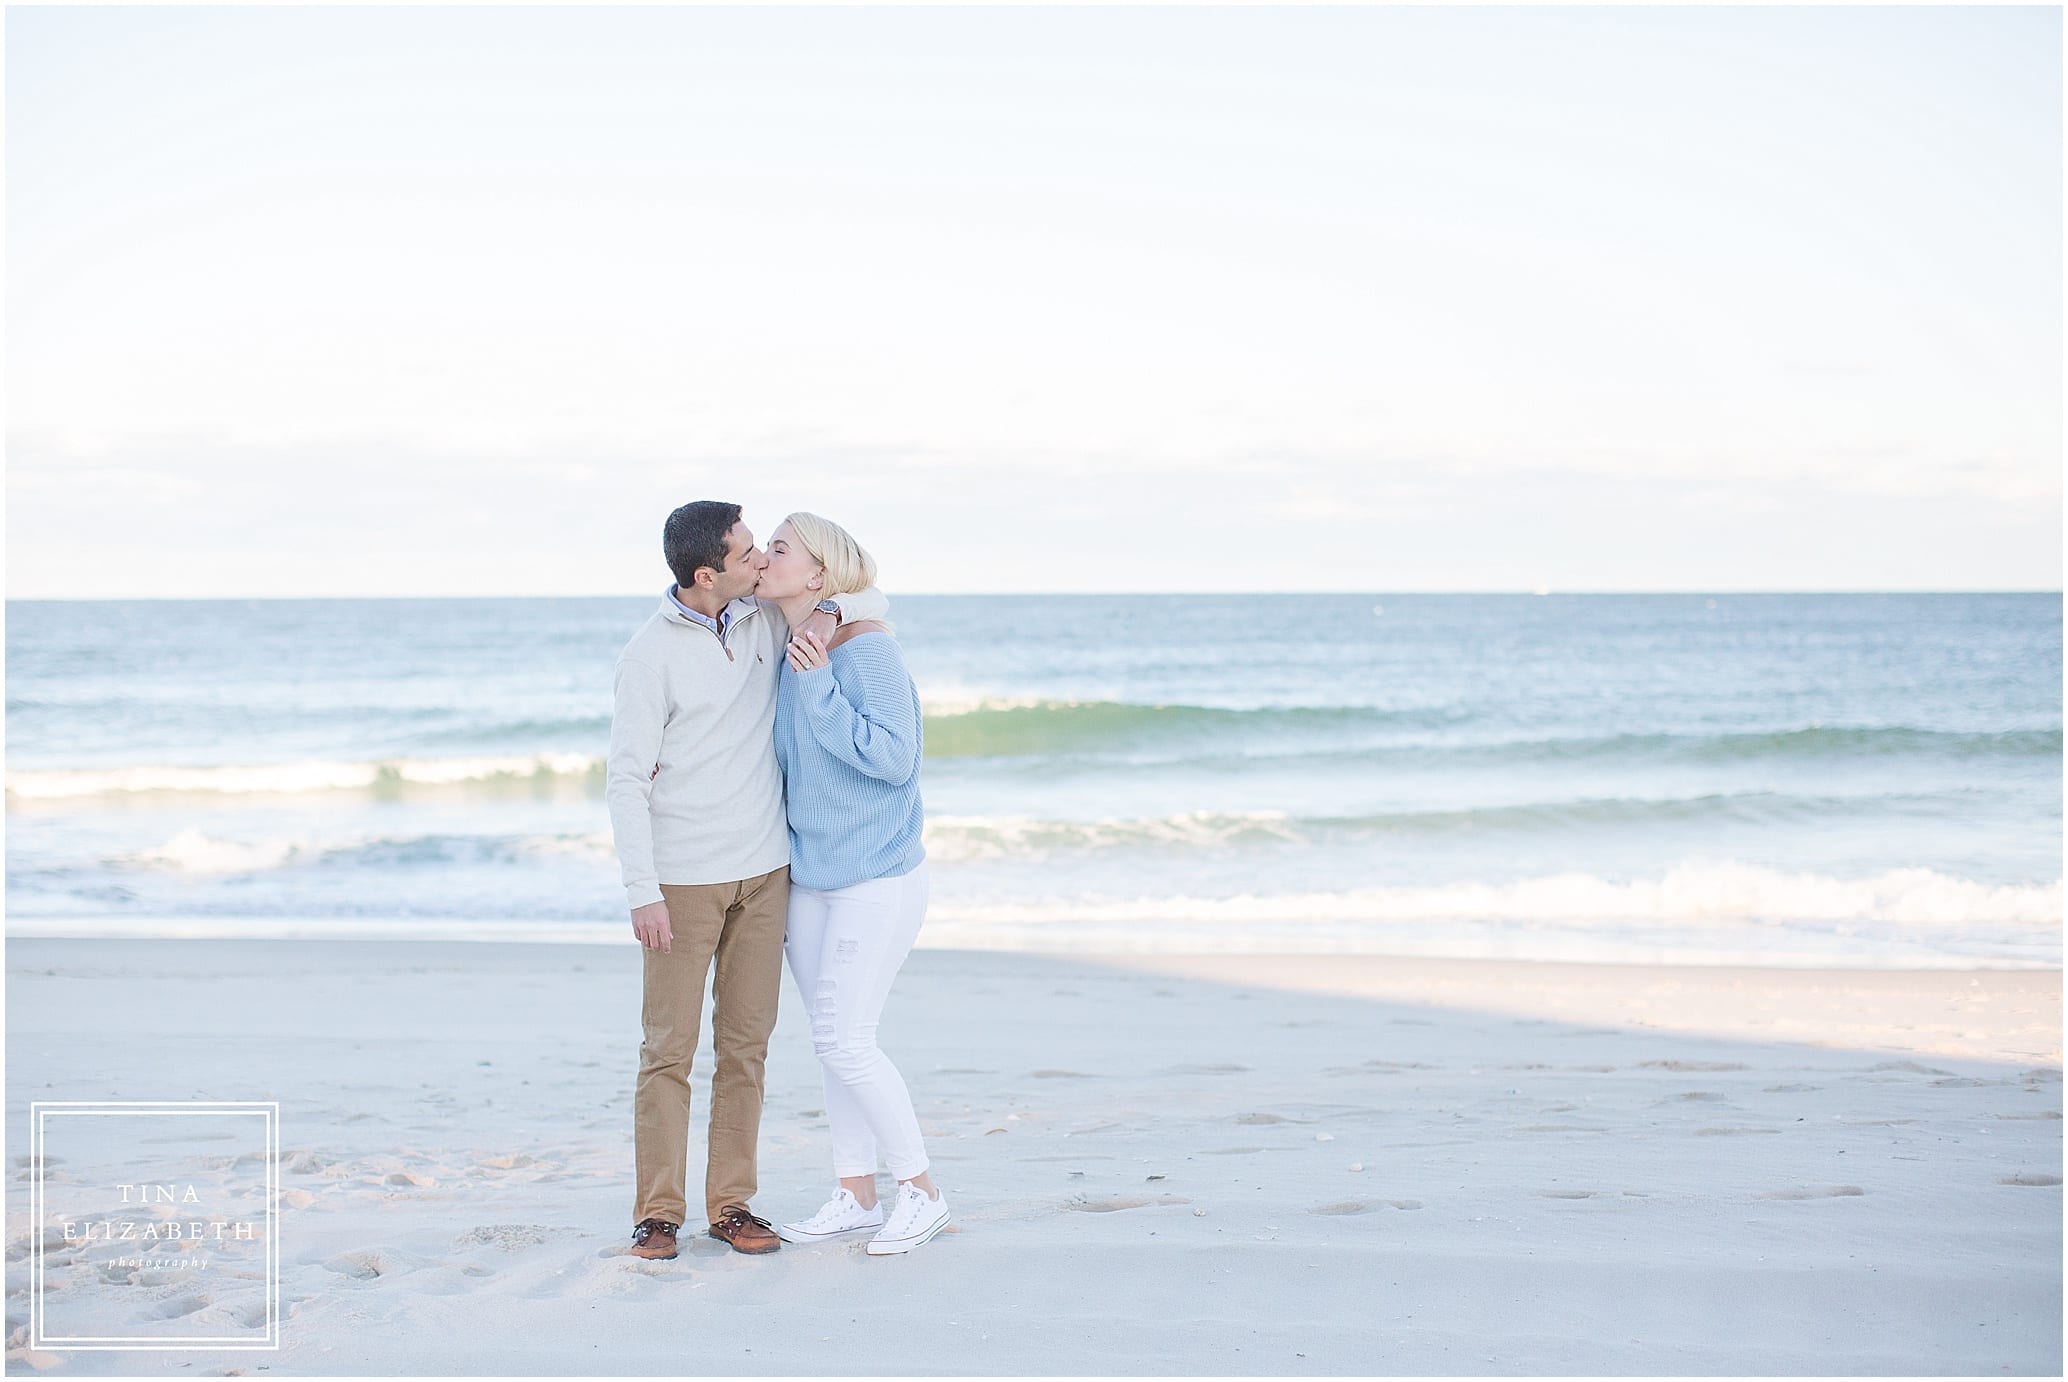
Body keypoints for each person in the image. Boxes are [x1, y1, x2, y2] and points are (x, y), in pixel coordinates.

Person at [607, 500, 885, 1261]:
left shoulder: (763, 620)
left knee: (747, 1047)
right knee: (668, 1050)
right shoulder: (648, 654)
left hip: (767, 874)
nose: (763, 559)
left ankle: (731, 1205)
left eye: (765, 547)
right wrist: (643, 890)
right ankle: (657, 1214)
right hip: (683, 882)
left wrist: (827, 619)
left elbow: (867, 593)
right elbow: (627, 778)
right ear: (707, 574)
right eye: (748, 551)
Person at [755, 512, 948, 1256]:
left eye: (780, 549)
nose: (764, 558)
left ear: (818, 574)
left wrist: (821, 689)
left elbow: (895, 760)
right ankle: (854, 1194)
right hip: (813, 876)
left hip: (878, 874)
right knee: (832, 1042)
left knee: (846, 1038)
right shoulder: (792, 641)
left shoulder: (866, 652)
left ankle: (921, 1192)